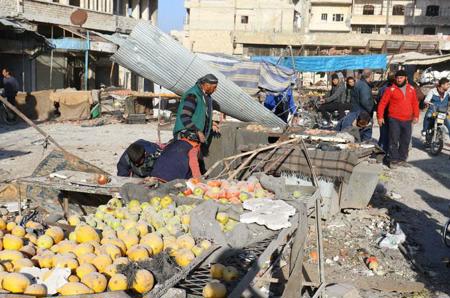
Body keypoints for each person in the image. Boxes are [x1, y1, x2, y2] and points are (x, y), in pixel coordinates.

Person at [377, 70, 419, 168]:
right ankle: (393, 160)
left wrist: (416, 115)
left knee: (405, 140)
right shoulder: (390, 89)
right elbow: (382, 104)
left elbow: (415, 103)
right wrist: (380, 117)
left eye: (401, 77)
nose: (399, 80)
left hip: (407, 119)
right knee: (393, 139)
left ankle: (402, 159)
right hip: (394, 119)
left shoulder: (411, 89)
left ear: (405, 78)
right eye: (397, 78)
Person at [173, 74, 220, 144]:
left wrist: (210, 123)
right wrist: (197, 131)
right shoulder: (192, 95)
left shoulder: (204, 96)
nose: (216, 90)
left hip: (194, 132)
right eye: (214, 87)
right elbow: (184, 116)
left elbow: (200, 113)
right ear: (207, 86)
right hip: (184, 135)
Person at [376, 74, 395, 152]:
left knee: (383, 133)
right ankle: (385, 151)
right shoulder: (394, 89)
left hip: (383, 113)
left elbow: (378, 99)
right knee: (389, 134)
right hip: (390, 114)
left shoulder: (382, 89)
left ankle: (381, 149)